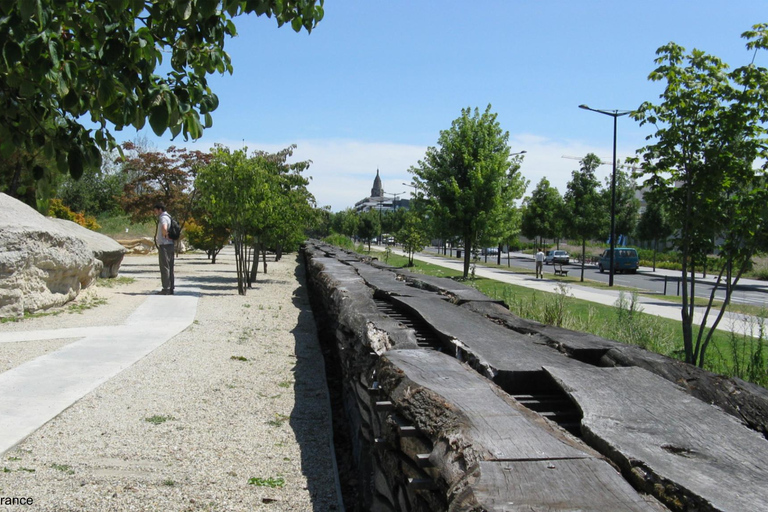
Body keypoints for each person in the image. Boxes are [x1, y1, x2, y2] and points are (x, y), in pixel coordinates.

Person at [153, 203, 175, 295]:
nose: (155, 212)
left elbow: (164, 227)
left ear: (160, 209)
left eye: (155, 210)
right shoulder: (169, 216)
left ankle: (166, 288)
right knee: (170, 266)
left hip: (164, 245)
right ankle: (171, 287)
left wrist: (165, 235)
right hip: (170, 245)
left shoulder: (163, 217)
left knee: (164, 267)